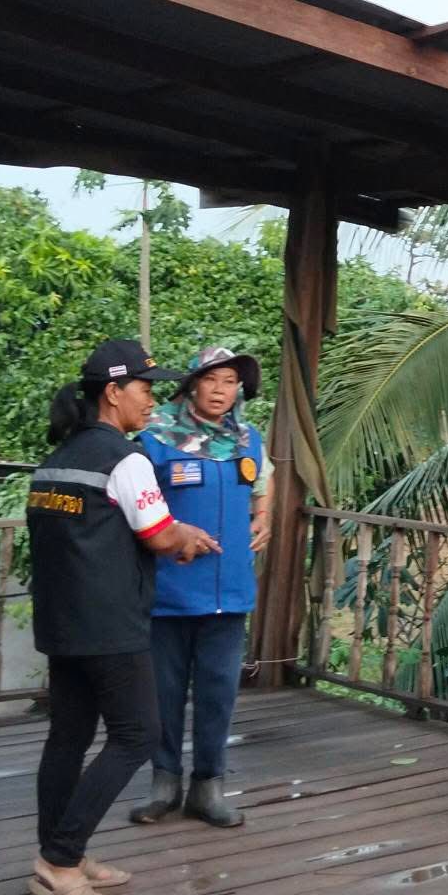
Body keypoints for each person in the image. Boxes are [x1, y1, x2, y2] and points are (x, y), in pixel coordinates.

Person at [25, 339, 220, 895]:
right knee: (137, 735)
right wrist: (188, 536)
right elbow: (158, 535)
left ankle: (62, 851)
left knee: (68, 737)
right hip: (110, 623)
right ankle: (60, 861)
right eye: (144, 388)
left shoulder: (58, 458)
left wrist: (172, 530)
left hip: (62, 621)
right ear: (113, 392)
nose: (151, 399)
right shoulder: (125, 459)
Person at [130, 345, 270, 828]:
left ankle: (208, 787)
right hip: (169, 591)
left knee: (218, 695)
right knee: (162, 694)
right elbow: (133, 505)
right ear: (192, 385)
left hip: (229, 592)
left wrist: (264, 514)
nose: (220, 390)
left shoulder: (249, 438)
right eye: (211, 380)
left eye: (230, 382)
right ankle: (163, 783)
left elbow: (263, 483)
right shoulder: (154, 438)